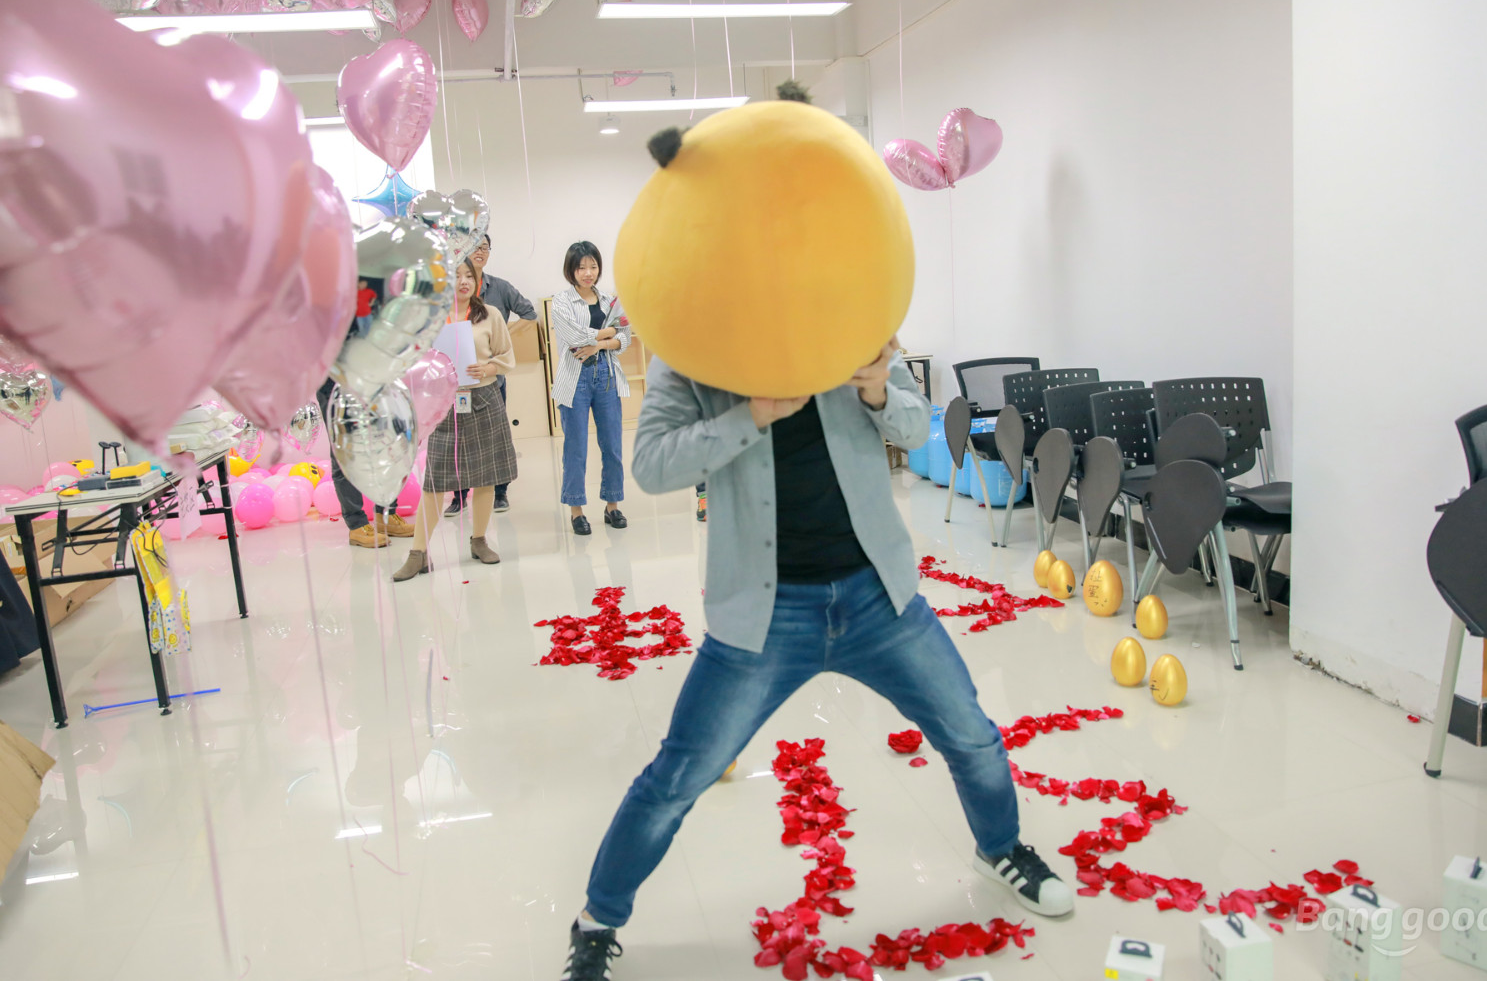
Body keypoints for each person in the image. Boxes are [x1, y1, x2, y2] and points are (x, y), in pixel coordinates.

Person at [559, 340, 1074, 979]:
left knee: (970, 734)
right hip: (763, 611)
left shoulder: (853, 319)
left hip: (876, 593)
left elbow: (919, 429)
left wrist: (878, 391)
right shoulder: (696, 339)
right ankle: (597, 920)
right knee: (676, 778)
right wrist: (751, 415)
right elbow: (653, 465)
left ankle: (999, 848)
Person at [394, 260, 519, 580]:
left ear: (476, 281)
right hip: (444, 403)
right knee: (435, 481)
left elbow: (506, 356)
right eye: (456, 276)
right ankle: (418, 554)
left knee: (486, 477)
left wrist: (488, 368)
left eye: (469, 276)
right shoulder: (431, 319)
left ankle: (479, 540)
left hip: (484, 398)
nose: (463, 281)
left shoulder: (489, 314)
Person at [444, 234, 537, 517]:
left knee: (494, 438)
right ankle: (459, 496)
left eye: (484, 247)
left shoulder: (499, 290)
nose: (480, 252)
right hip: (456, 387)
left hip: (490, 382)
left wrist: (503, 335)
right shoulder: (445, 302)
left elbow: (530, 314)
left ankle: (500, 492)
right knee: (458, 440)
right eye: (474, 247)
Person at [550, 241, 630, 536]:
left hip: (606, 376)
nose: (588, 273)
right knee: (576, 448)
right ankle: (577, 511)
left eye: (593, 266)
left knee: (612, 445)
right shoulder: (561, 301)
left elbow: (626, 338)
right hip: (575, 379)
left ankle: (612, 506)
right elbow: (575, 337)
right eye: (581, 267)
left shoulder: (609, 300)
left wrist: (599, 344)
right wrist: (610, 332)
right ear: (571, 270)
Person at [316, 380, 414, 548]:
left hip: (369, 379)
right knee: (345, 449)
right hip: (334, 380)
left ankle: (386, 515)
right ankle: (357, 525)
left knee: (385, 442)